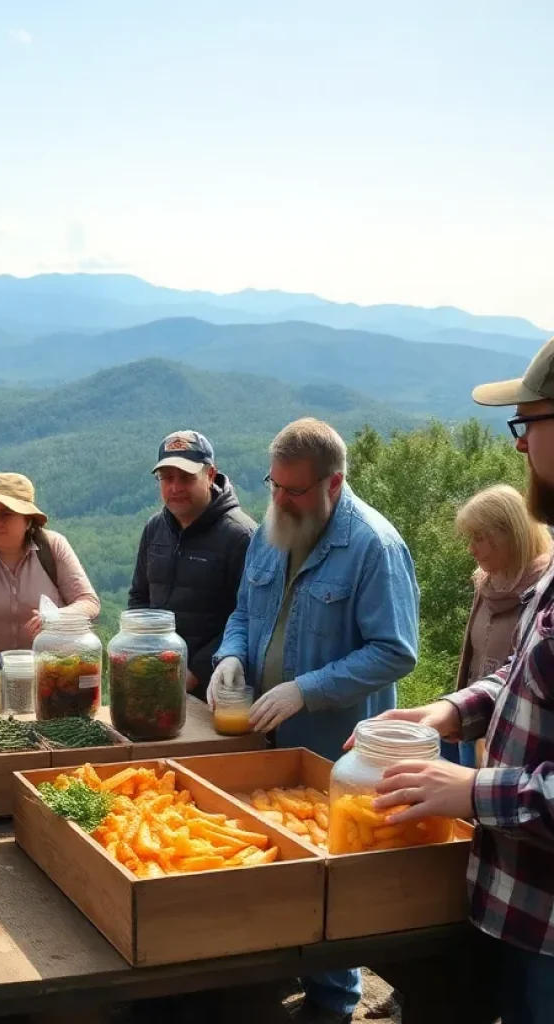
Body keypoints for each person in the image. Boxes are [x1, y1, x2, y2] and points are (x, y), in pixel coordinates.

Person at [364, 337, 554, 1024]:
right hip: (512, 902)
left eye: (528, 423)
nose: (519, 446)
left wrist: (470, 789)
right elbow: (519, 676)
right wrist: (444, 713)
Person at [210, 417, 419, 1024]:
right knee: (273, 861)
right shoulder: (270, 531)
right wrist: (228, 652)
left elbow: (396, 649)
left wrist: (307, 689)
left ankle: (334, 1003)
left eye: (294, 491)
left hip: (334, 749)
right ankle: (276, 979)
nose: (278, 499)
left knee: (330, 878)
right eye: (273, 485)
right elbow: (246, 612)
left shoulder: (374, 546)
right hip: (262, 736)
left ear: (334, 484)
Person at [128, 430, 256, 700]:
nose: (174, 487)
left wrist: (196, 669)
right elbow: (139, 597)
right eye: (167, 478)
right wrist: (148, 656)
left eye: (186, 477)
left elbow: (249, 616)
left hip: (217, 690)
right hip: (158, 680)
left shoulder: (241, 537)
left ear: (210, 474)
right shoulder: (154, 530)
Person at [0, 472, 99, 662]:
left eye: (6, 514)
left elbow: (89, 602)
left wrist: (57, 617)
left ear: (28, 520)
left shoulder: (53, 546)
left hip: (49, 667)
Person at [448, 484, 552, 766]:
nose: (471, 548)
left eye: (480, 538)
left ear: (513, 535)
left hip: (516, 743)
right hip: (471, 720)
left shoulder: (543, 593)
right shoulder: (485, 583)